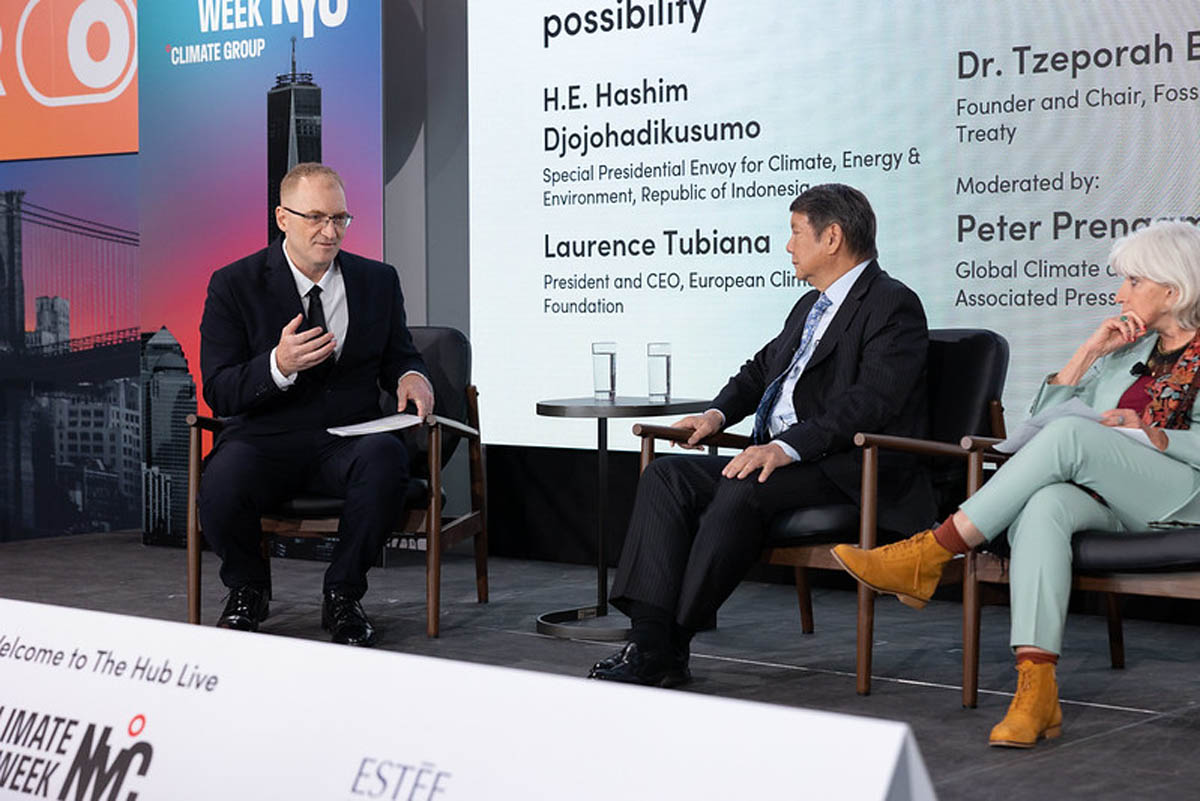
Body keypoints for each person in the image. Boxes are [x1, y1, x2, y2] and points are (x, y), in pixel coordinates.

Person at [833, 220, 1200, 747]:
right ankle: (1036, 690)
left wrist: (1152, 434)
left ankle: (932, 553)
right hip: (1111, 497)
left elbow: (1074, 435)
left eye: (1134, 281)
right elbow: (1043, 422)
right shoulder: (1125, 354)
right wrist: (1087, 354)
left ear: (1173, 288)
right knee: (1045, 504)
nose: (1120, 294)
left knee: (1072, 438)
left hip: (1182, 495)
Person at [587, 184, 935, 686]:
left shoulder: (892, 304)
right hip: (791, 461)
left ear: (832, 237)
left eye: (796, 233)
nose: (788, 246)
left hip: (847, 467)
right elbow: (760, 371)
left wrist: (787, 446)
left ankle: (670, 643)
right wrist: (716, 415)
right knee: (667, 476)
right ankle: (650, 640)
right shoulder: (810, 306)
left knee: (745, 485)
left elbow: (871, 403)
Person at [198, 163, 433, 647]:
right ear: (282, 218)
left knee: (386, 459)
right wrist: (277, 365)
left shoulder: (378, 280)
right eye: (316, 218)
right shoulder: (234, 284)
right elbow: (219, 390)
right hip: (266, 439)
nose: (331, 231)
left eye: (340, 218)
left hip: (346, 440)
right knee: (221, 478)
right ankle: (247, 590)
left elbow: (400, 355)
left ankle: (343, 594)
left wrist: (412, 376)